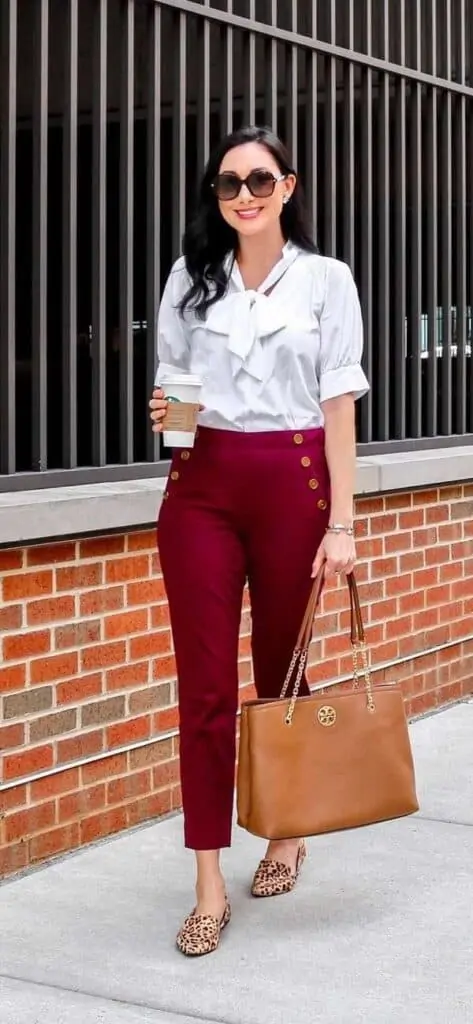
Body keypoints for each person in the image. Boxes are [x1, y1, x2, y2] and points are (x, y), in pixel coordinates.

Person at [149, 125, 369, 957]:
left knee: (282, 677)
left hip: (294, 487)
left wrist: (341, 523)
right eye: (227, 183)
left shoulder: (325, 280)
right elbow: (176, 389)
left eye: (259, 180)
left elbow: (338, 402)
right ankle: (208, 881)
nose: (243, 194)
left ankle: (285, 833)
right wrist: (167, 417)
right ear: (215, 196)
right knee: (203, 691)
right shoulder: (189, 280)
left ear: (288, 187)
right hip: (201, 491)